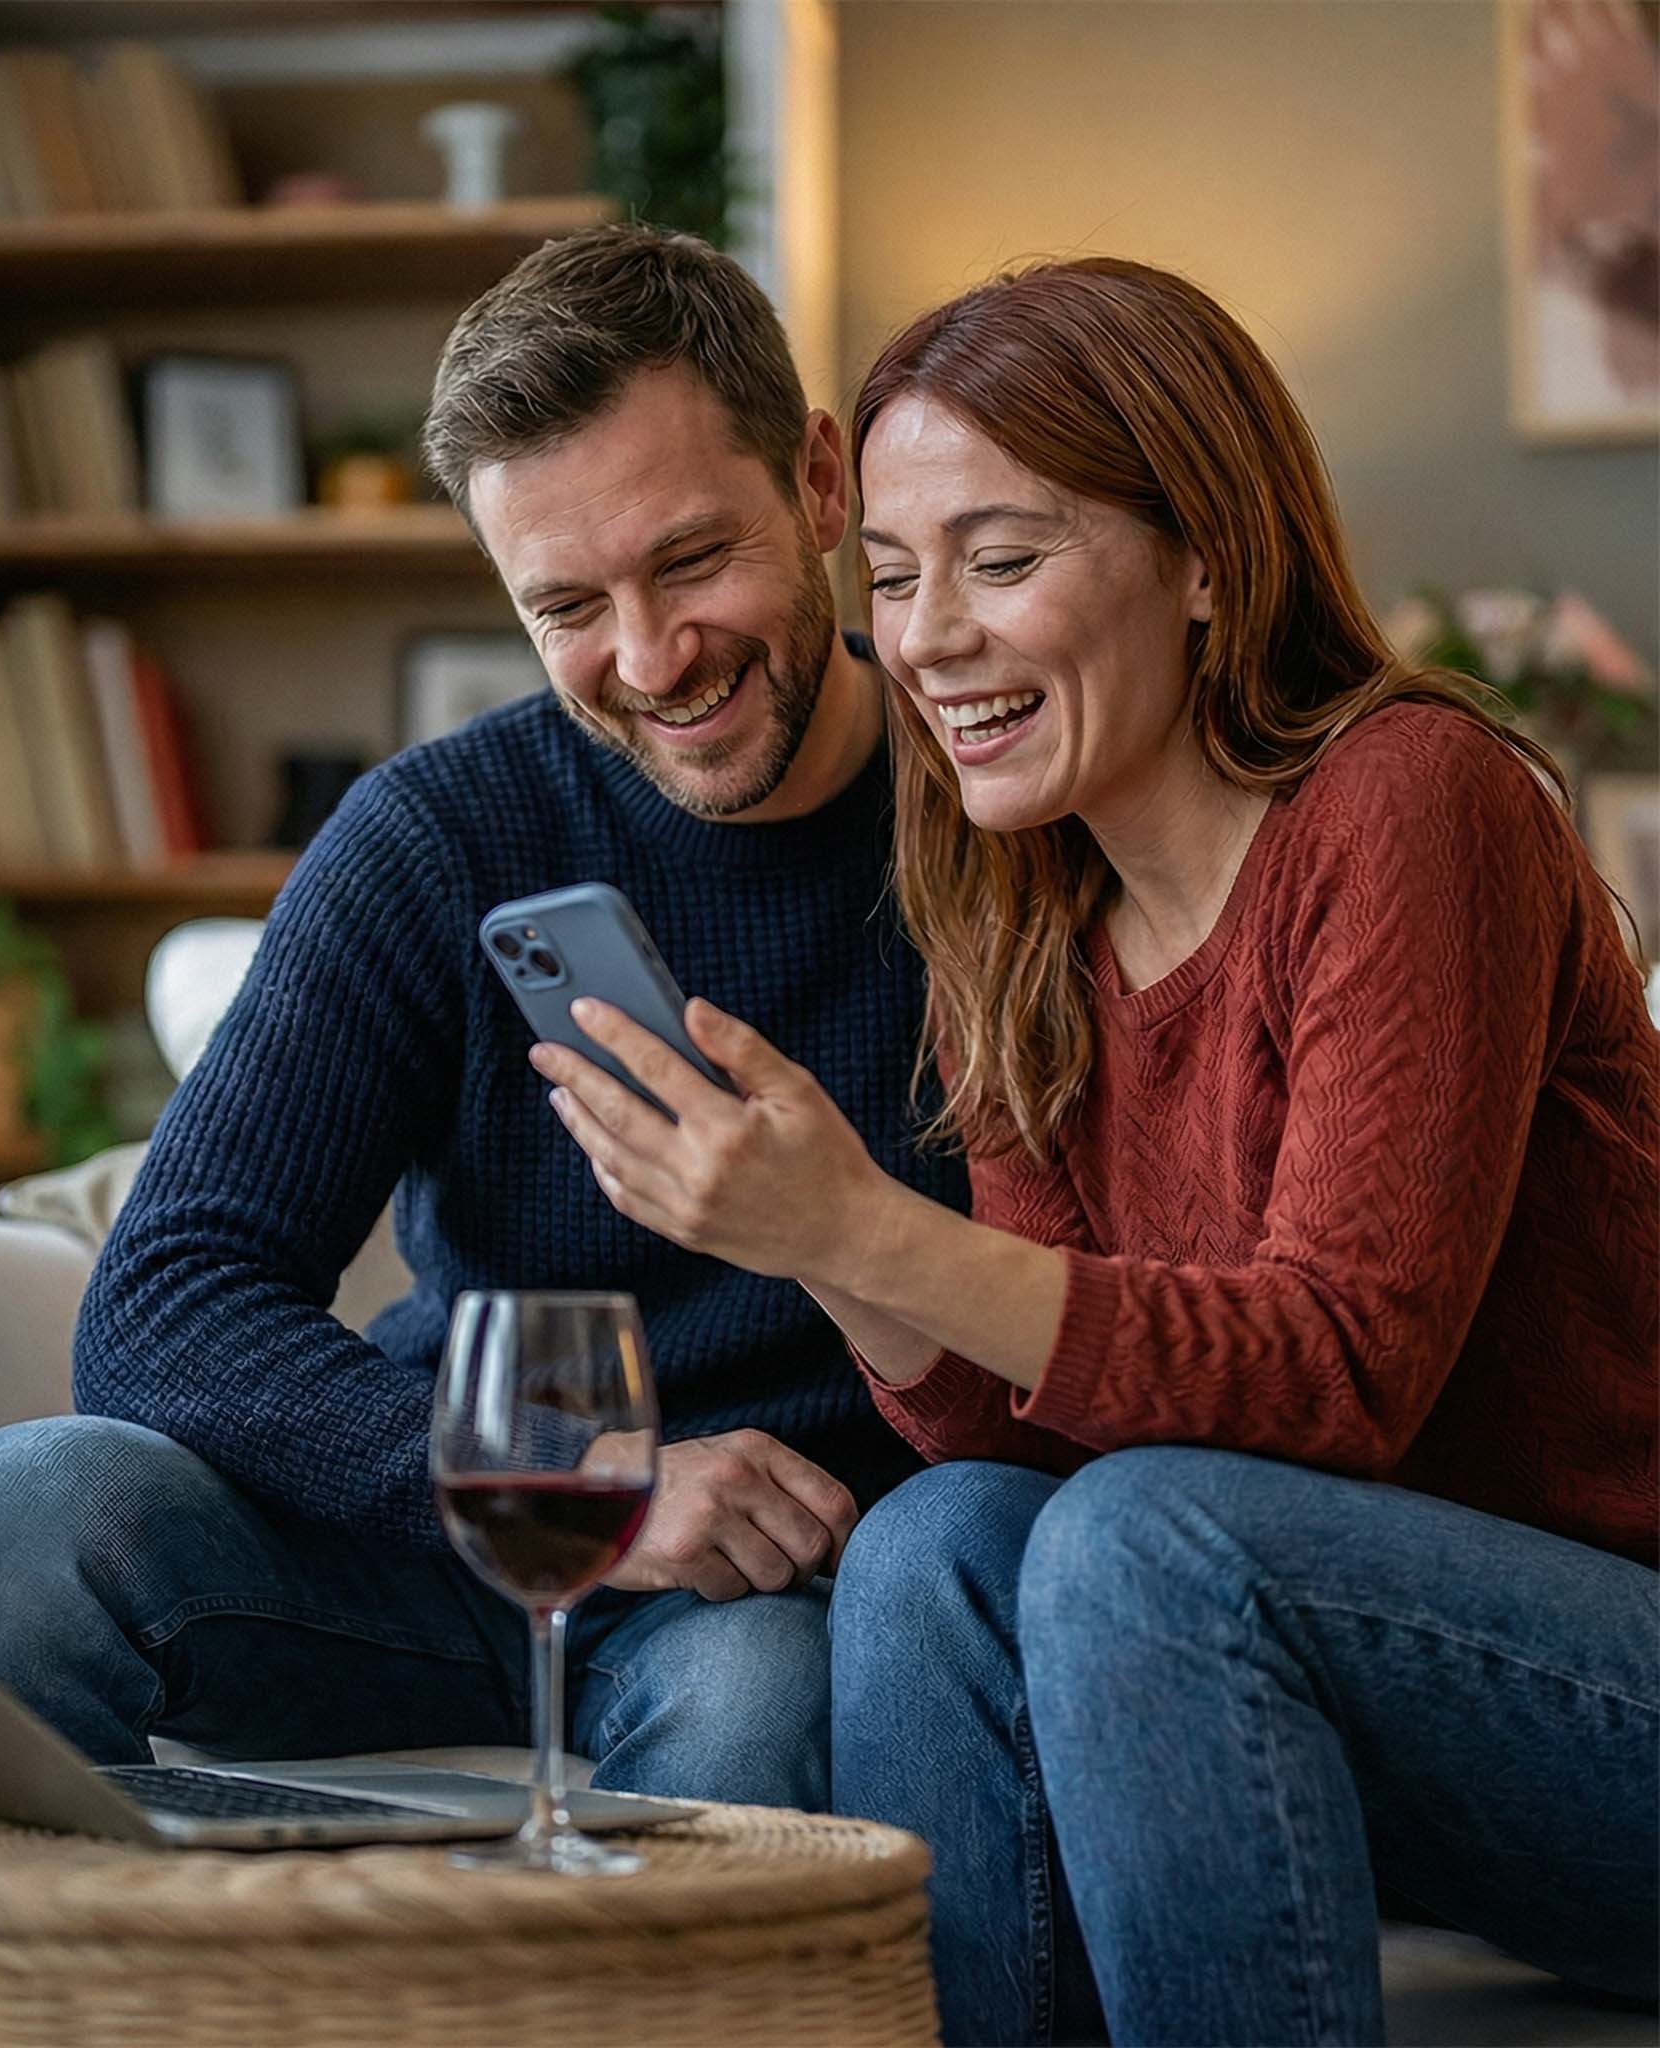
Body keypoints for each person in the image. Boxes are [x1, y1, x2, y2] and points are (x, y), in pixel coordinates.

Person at [528, 255, 1659, 2042]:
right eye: (891, 580)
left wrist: (872, 1230)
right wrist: (808, 1230)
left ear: (1206, 554)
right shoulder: (1023, 905)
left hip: (1603, 1697)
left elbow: (1344, 1376)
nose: (925, 639)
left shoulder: (1410, 804)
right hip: (1345, 1711)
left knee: (1144, 1538)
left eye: (1001, 559)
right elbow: (1003, 1426)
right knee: (935, 1543)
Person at [0, 225, 967, 1810]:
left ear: (821, 483)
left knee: (760, 1712)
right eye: (566, 606)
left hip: (756, 1589)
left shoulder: (998, 808)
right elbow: (167, 1297)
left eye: (690, 561)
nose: (650, 659)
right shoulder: (440, 837)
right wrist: (585, 1483)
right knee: (18, 1517)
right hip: (442, 1538)